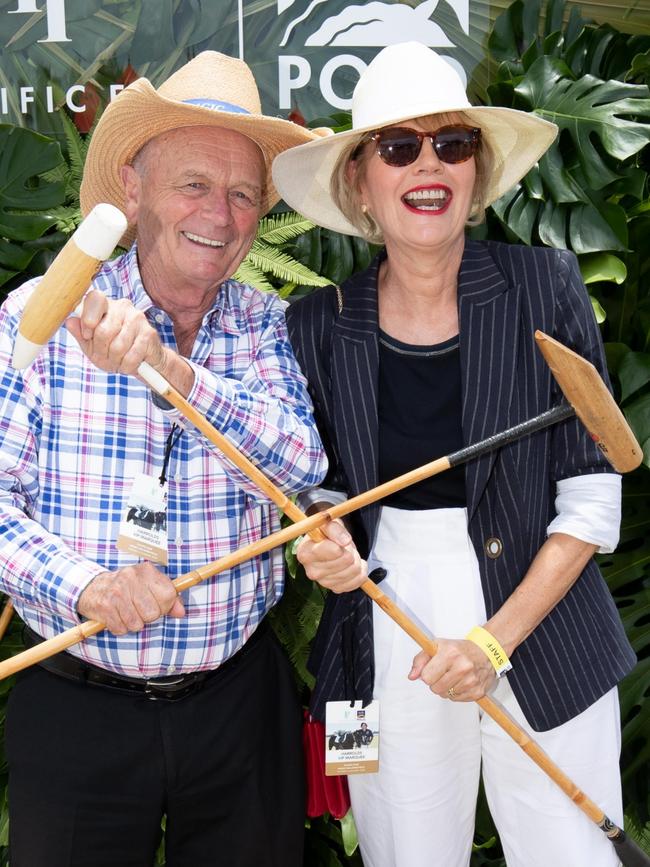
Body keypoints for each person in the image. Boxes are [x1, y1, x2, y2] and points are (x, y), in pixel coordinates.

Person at [272, 42, 636, 867]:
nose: (427, 164)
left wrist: (493, 643)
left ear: (475, 172)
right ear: (359, 180)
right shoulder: (318, 324)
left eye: (452, 144)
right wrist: (324, 543)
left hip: (542, 622)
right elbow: (318, 494)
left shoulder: (546, 285)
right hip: (388, 624)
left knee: (571, 854)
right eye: (398, 147)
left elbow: (591, 499)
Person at [0, 51, 328, 866]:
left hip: (236, 709)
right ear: (134, 188)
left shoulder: (261, 325)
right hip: (78, 710)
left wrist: (174, 373)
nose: (220, 212)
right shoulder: (38, 317)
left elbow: (299, 462)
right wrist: (88, 585)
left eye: (243, 193)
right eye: (193, 184)